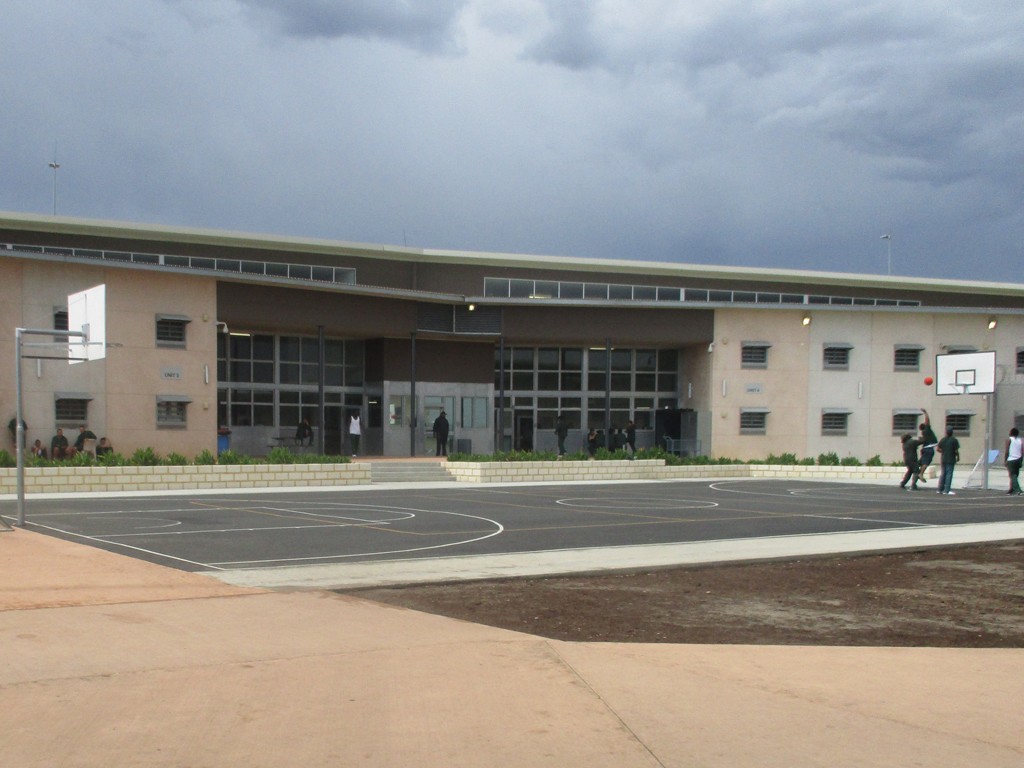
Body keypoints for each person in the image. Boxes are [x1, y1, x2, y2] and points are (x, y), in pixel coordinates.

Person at [917, 409, 938, 483]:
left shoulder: (924, 433)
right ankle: (921, 474)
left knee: (921, 462)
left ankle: (917, 473)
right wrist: (925, 413)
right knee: (926, 462)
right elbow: (927, 420)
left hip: (925, 448)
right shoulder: (927, 430)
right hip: (929, 448)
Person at [936, 428, 959, 495]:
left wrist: (943, 451)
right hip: (951, 458)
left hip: (943, 458)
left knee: (943, 474)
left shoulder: (943, 440)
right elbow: (956, 450)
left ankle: (940, 489)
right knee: (949, 474)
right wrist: (958, 456)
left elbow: (938, 449)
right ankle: (947, 490)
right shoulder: (954, 440)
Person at [1005, 427, 1023, 496]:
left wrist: (1005, 460)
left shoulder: (1009, 440)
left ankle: (1018, 490)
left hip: (1011, 459)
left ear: (1011, 433)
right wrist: (1021, 460)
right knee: (1015, 475)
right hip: (1018, 459)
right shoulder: (1020, 440)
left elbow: (1007, 451)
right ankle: (1011, 489)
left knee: (1012, 475)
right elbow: (1022, 451)